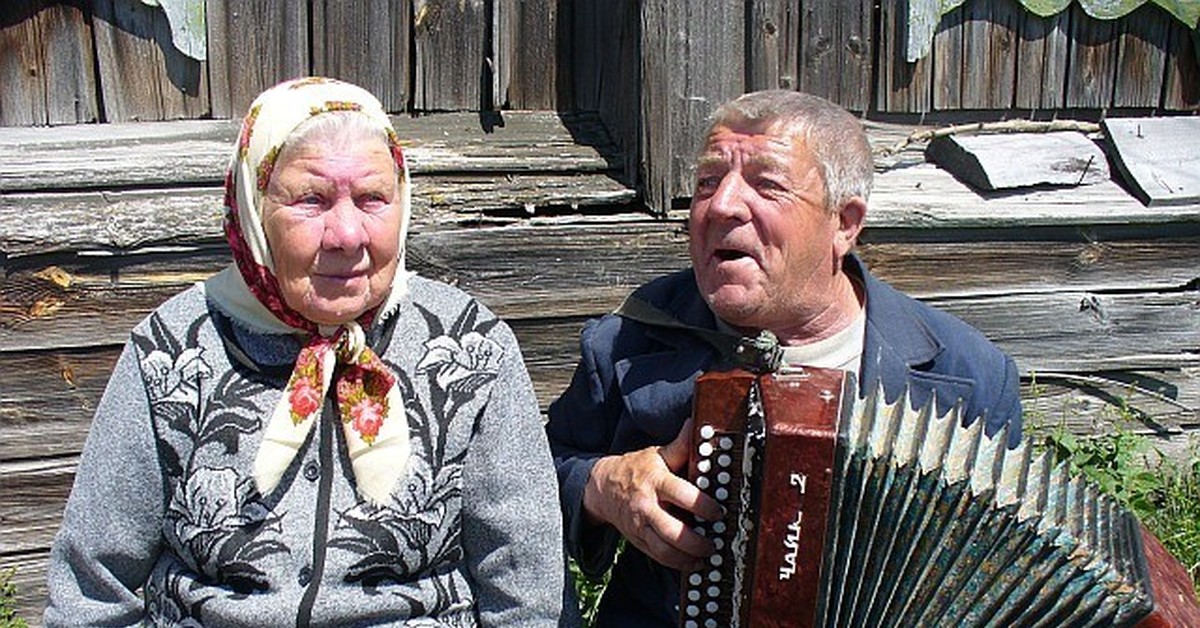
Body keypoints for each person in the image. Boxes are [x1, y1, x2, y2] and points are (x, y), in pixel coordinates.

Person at [44, 77, 568, 626]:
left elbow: (525, 585)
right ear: (255, 209)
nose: (346, 234)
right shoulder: (171, 349)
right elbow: (93, 587)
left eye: (372, 199)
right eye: (311, 200)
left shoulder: (471, 350)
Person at [545, 90, 1023, 626]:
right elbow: (530, 480)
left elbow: (992, 577)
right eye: (707, 182)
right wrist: (601, 486)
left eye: (767, 185)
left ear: (844, 224)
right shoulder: (632, 339)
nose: (722, 205)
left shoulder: (970, 376)